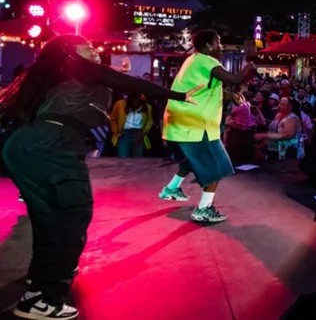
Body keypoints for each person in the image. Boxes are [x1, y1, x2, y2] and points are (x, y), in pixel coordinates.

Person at [1, 34, 198, 320]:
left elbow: (116, 80)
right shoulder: (78, 66)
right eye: (88, 46)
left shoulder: (60, 74)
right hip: (53, 146)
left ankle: (41, 280)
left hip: (30, 145)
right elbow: (133, 84)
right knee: (71, 216)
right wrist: (180, 95)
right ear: (71, 51)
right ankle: (43, 298)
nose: (94, 50)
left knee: (49, 218)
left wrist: (118, 73)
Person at [158, 30, 255, 224]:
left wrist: (230, 96)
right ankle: (204, 208)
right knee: (216, 166)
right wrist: (249, 65)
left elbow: (205, 89)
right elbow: (236, 79)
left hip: (184, 123)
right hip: (196, 125)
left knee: (193, 160)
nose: (222, 46)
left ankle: (172, 188)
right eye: (219, 42)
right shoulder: (208, 62)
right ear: (209, 45)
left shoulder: (193, 61)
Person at [109, 93, 153, 158]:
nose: (135, 102)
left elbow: (150, 121)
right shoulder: (120, 104)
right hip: (124, 133)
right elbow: (113, 118)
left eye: (137, 101)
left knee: (138, 159)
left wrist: (144, 132)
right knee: (123, 158)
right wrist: (117, 131)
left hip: (138, 134)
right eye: (134, 101)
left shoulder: (147, 107)